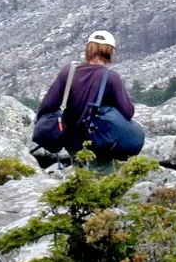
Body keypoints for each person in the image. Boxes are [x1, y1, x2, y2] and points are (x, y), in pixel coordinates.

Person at [36, 30, 137, 173]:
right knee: (102, 183)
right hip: (100, 141)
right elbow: (128, 112)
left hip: (72, 141)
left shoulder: (68, 72)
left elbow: (48, 105)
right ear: (109, 51)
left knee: (80, 178)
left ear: (88, 49)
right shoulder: (111, 77)